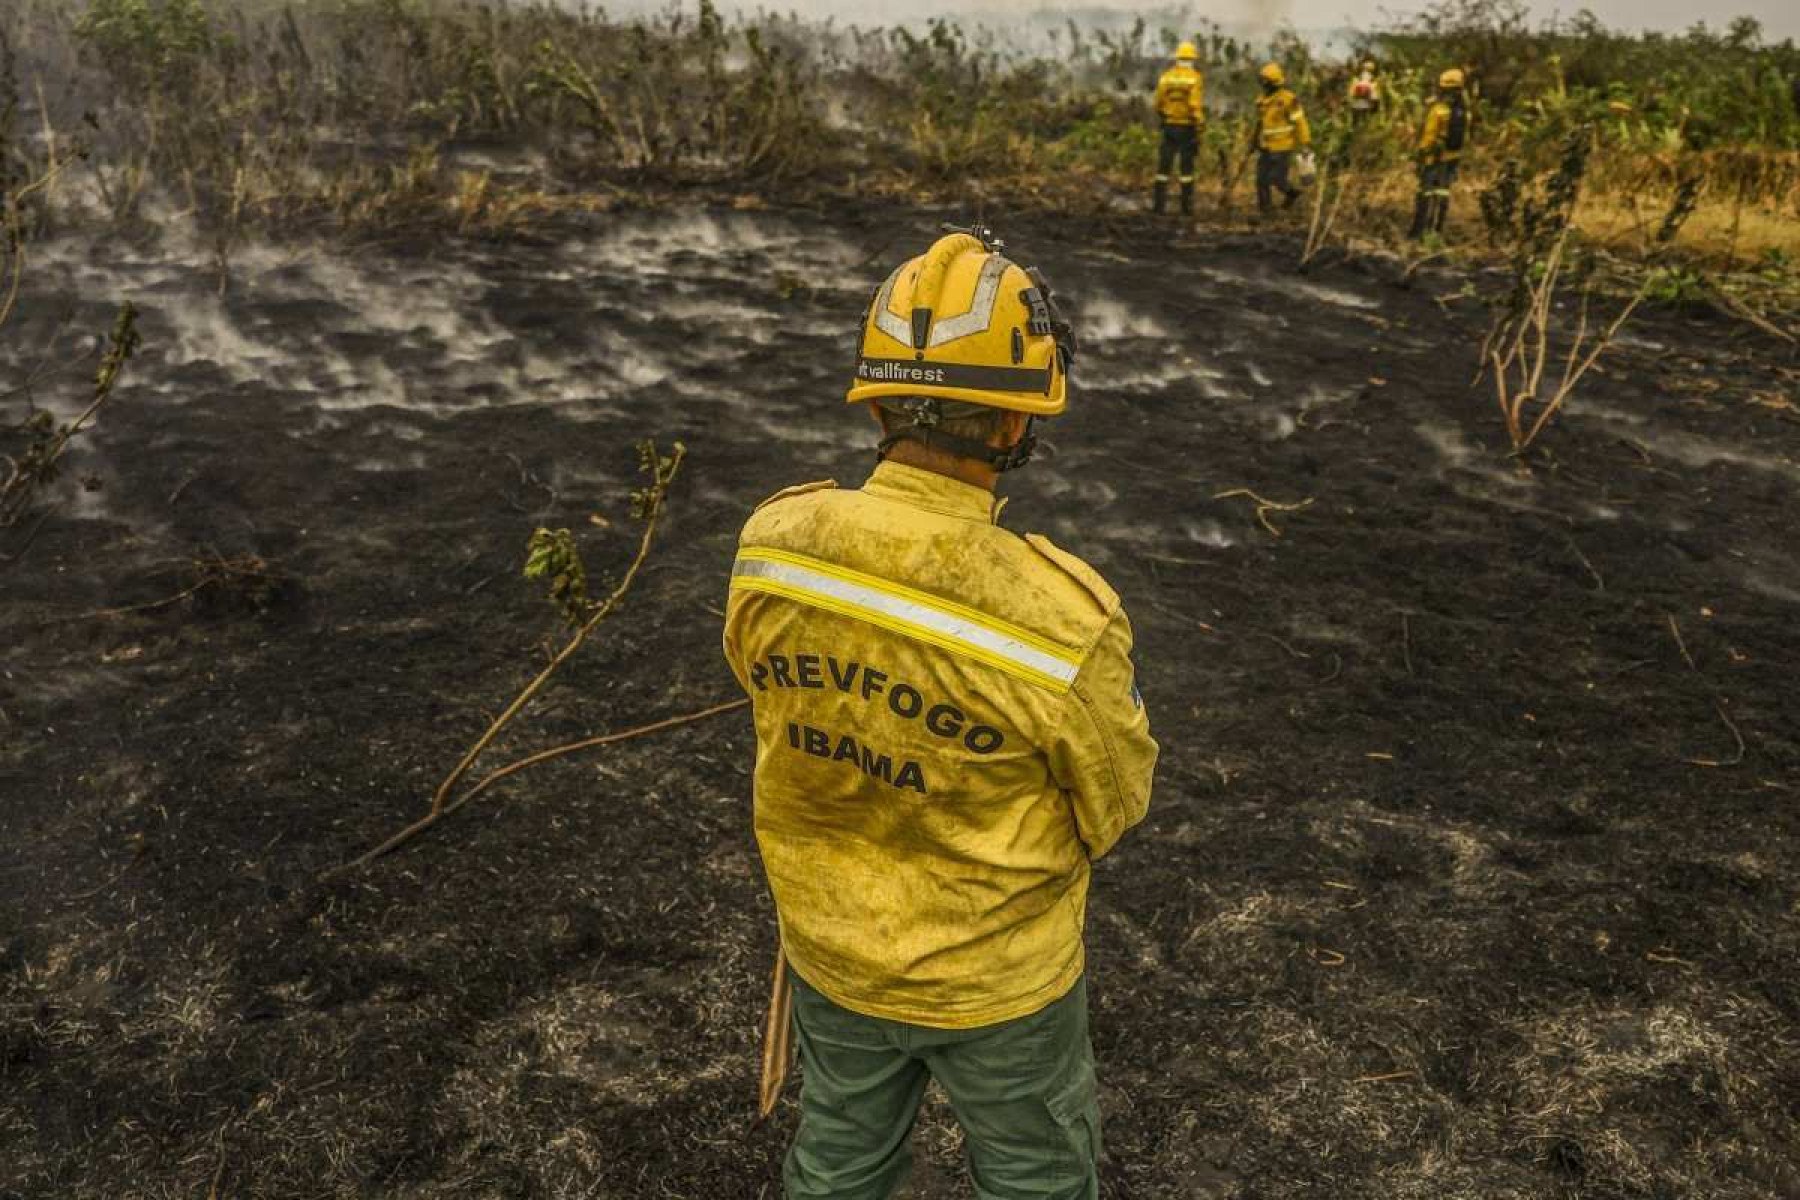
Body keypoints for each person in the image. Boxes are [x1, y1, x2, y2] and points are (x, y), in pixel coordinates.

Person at [723, 227, 1158, 1200]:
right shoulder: (1065, 617)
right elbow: (1115, 808)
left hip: (831, 950)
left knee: (837, 1163)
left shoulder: (773, 546)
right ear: (1016, 428)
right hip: (1000, 986)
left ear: (873, 401)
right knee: (1038, 1180)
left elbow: (766, 692)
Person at [1410, 67, 1469, 239]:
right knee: (1443, 192)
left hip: (1433, 159)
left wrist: (1421, 155)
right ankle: (1437, 230)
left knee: (1425, 193)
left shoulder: (1438, 111)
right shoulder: (1464, 112)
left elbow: (1428, 138)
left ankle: (1419, 231)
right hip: (1452, 159)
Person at [1152, 41, 1206, 215]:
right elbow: (1194, 104)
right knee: (1186, 169)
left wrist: (1165, 115)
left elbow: (1158, 102)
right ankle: (1186, 207)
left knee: (1163, 167)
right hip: (1186, 127)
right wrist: (1200, 123)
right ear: (1192, 59)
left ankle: (1158, 207)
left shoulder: (1166, 76)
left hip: (1169, 126)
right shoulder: (1194, 77)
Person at [1252, 62, 1311, 213]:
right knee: (1260, 179)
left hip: (1282, 146)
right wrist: (1253, 141)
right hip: (1265, 146)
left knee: (1277, 179)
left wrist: (1305, 143)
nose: (1262, 84)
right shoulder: (1261, 101)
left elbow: (1300, 121)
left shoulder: (1288, 99)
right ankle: (1266, 210)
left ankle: (1292, 194)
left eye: (1265, 81)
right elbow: (1259, 123)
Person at [1347, 58, 1381, 124]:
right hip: (1362, 100)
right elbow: (1353, 90)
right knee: (1360, 115)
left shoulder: (1373, 80)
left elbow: (1352, 90)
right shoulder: (1358, 79)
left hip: (1364, 101)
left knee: (1360, 115)